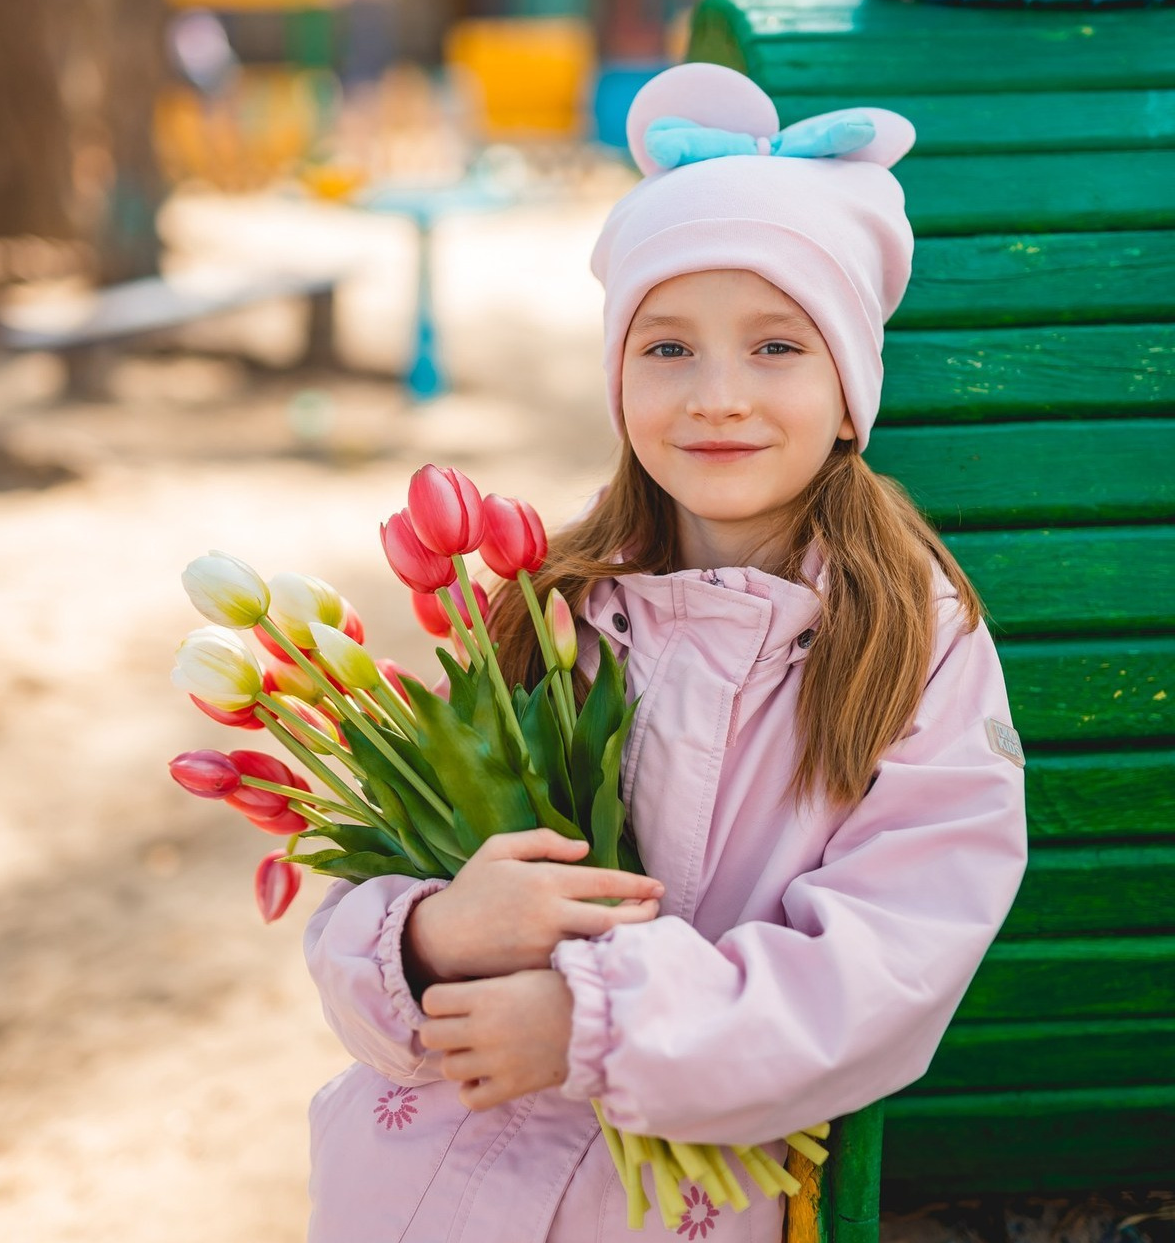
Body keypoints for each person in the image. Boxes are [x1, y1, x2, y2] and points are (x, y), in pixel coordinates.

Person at [302, 62, 1027, 1242]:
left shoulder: (909, 636)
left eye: (777, 346)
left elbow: (896, 953)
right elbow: (357, 899)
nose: (717, 396)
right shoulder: (545, 606)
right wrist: (430, 936)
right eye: (668, 348)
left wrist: (598, 1025)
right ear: (616, 374)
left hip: (670, 1201)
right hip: (421, 1184)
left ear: (850, 388)